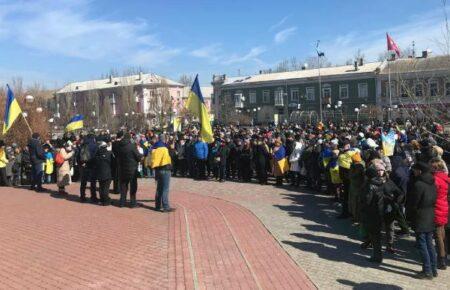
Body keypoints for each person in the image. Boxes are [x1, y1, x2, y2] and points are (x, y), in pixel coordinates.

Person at [406, 162, 438, 279]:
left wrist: (409, 216)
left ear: (419, 171)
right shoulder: (432, 183)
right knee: (429, 243)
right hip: (430, 215)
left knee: (422, 244)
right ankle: (433, 269)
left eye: (415, 170)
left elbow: (414, 203)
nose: (413, 172)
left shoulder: (418, 184)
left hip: (420, 216)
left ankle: (427, 271)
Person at [430, 158, 449, 270]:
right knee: (442, 232)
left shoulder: (435, 179)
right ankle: (444, 254)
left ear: (435, 168)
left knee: (438, 235)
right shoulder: (445, 178)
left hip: (437, 207)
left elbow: (432, 194)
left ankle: (441, 259)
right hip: (444, 206)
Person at [117, 133, 142, 208]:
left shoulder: (119, 146)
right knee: (133, 187)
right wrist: (140, 156)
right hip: (132, 169)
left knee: (123, 186)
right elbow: (138, 157)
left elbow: (117, 156)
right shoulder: (132, 146)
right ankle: (133, 203)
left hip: (122, 169)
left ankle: (122, 203)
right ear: (129, 138)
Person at [151, 134, 175, 212]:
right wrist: (172, 149)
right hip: (165, 169)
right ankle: (166, 206)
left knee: (159, 188)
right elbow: (170, 157)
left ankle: (157, 206)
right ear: (165, 139)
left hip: (157, 170)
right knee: (165, 189)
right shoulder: (164, 148)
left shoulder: (154, 147)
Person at [78, 134, 98, 203]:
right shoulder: (95, 145)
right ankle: (93, 196)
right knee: (93, 182)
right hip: (92, 166)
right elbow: (96, 156)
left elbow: (78, 156)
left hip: (84, 166)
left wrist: (81, 163)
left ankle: (82, 196)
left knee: (83, 182)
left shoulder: (82, 145)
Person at [94, 141, 113, 206]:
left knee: (101, 187)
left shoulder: (97, 154)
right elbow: (113, 163)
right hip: (107, 172)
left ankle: (102, 199)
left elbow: (95, 163)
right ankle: (105, 201)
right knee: (106, 188)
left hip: (99, 172)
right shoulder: (109, 153)